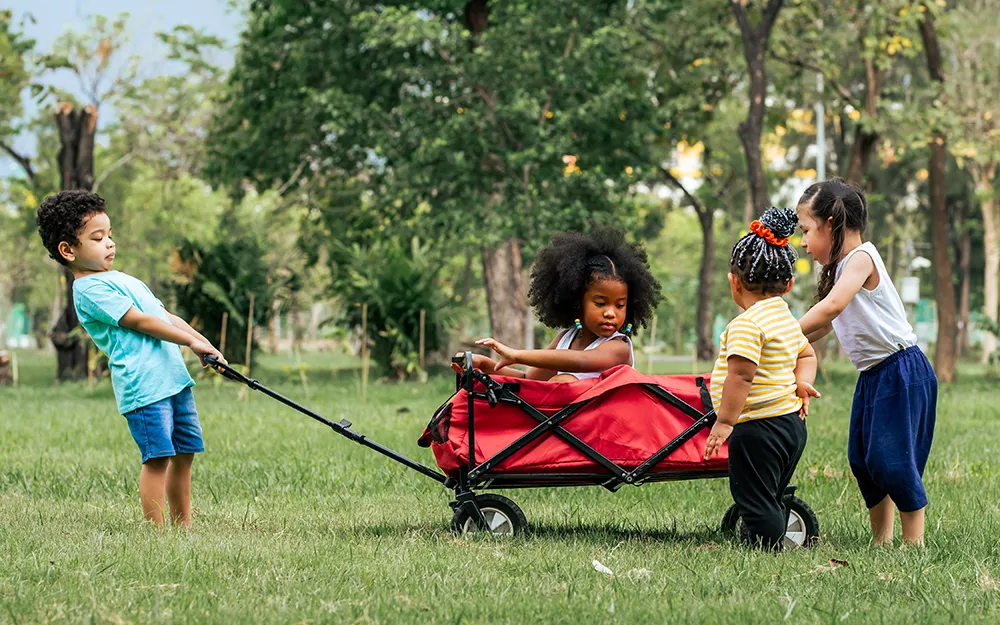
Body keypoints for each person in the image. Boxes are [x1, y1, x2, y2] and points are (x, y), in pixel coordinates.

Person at [36, 190, 227, 527]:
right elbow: (141, 322)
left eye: (110, 235)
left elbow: (162, 315)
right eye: (98, 237)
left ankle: (184, 527)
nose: (110, 243)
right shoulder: (89, 290)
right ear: (68, 250)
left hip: (173, 379)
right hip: (144, 387)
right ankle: (156, 533)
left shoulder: (122, 279)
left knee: (185, 454)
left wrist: (201, 342)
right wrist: (190, 342)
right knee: (159, 457)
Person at [797, 178, 936, 547]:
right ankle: (882, 540)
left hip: (901, 371)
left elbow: (832, 308)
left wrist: (779, 335)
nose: (804, 243)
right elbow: (827, 323)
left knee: (891, 460)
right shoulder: (843, 268)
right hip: (874, 375)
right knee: (862, 460)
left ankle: (914, 543)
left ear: (830, 223)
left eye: (806, 230)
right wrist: (785, 349)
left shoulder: (862, 257)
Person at [703, 207, 818, 550]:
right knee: (769, 489)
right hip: (790, 425)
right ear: (789, 283)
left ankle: (769, 544)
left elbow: (741, 376)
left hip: (757, 428)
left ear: (733, 282)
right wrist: (802, 382)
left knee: (752, 492)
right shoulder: (785, 318)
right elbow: (808, 353)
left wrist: (724, 422)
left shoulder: (746, 325)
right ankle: (768, 525)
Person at [454, 227, 661, 380]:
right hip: (561, 433)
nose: (610, 313)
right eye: (600, 303)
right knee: (557, 383)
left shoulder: (618, 347)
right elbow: (530, 381)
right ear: (576, 301)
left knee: (565, 382)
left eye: (620, 305)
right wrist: (488, 368)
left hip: (600, 434)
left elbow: (581, 361)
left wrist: (517, 355)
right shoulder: (565, 339)